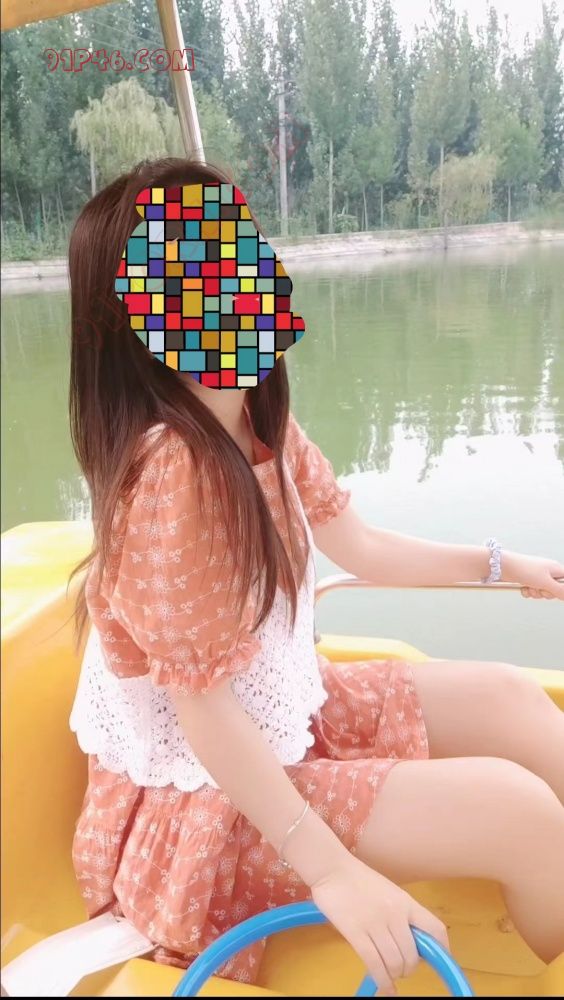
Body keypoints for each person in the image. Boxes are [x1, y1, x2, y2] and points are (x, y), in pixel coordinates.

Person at [68, 157, 564, 992]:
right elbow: (202, 709)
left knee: (512, 700)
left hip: (279, 716)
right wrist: (334, 871)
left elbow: (359, 544)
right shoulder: (170, 475)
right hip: (207, 804)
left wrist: (500, 565)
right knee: (523, 816)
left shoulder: (256, 420)